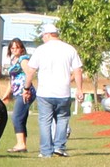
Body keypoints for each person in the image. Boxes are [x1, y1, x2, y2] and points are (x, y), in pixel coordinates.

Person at [28, 20, 83, 158]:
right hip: (63, 91)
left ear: (47, 35)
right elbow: (78, 70)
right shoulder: (69, 49)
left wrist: (26, 87)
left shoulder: (41, 50)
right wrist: (79, 89)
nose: (42, 38)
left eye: (43, 36)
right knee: (63, 119)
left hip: (45, 92)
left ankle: (46, 151)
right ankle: (59, 147)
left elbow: (31, 71)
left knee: (45, 121)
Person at [2, 38, 33, 153]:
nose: (14, 49)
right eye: (12, 47)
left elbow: (29, 73)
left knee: (16, 117)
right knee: (21, 118)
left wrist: (26, 89)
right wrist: (6, 95)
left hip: (25, 92)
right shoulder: (13, 60)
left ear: (22, 48)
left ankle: (20, 144)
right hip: (17, 91)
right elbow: (11, 80)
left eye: (17, 47)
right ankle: (22, 144)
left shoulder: (23, 60)